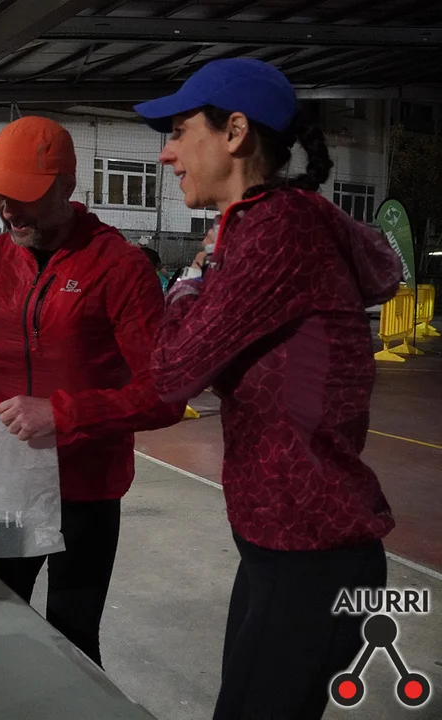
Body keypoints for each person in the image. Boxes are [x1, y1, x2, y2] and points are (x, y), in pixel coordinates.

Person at [135, 58, 401, 719]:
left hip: (309, 552)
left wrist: (192, 279)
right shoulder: (280, 221)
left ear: (234, 132)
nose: (167, 153)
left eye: (179, 131)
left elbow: (171, 374)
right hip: (286, 543)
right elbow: (382, 266)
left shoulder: (279, 230)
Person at [0, 115, 184, 668]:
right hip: (3, 478)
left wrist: (64, 413)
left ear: (67, 186)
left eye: (25, 197)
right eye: (1, 196)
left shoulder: (120, 268)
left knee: (73, 639)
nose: (9, 210)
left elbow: (166, 394)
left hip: (85, 489)